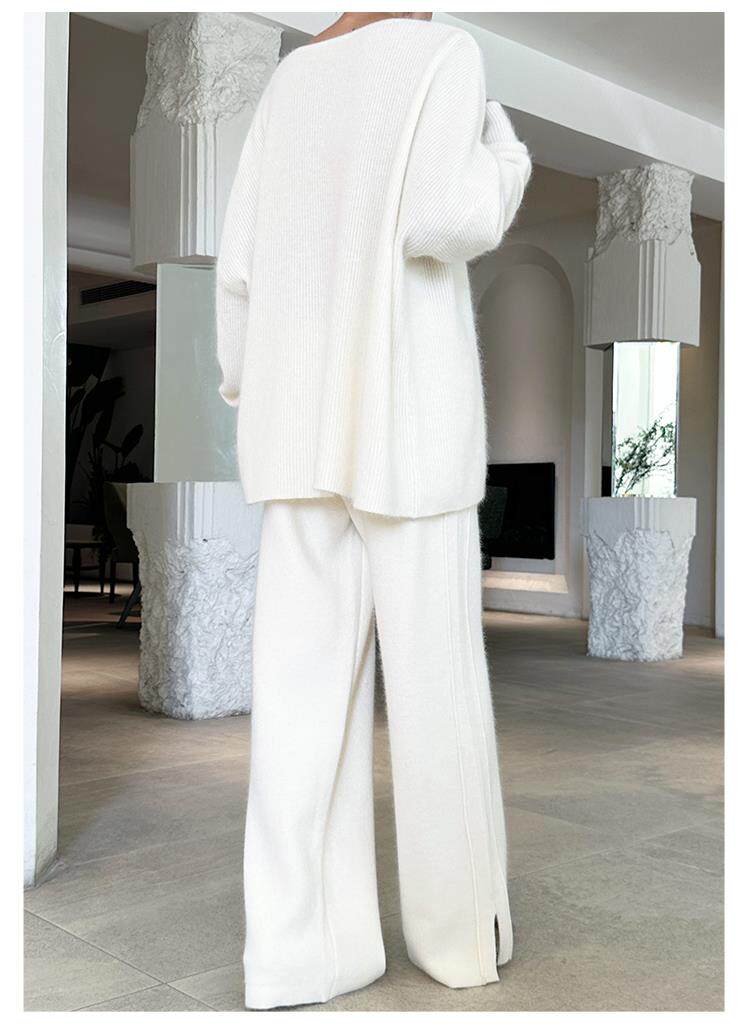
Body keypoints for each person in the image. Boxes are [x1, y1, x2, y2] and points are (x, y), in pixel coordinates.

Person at [216, 10, 532, 1010]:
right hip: (407, 432)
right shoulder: (442, 53)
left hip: (295, 435)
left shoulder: (289, 83)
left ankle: (296, 955)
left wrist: (251, 384)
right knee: (438, 698)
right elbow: (447, 218)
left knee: (298, 707)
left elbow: (239, 268)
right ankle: (456, 941)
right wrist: (506, 156)